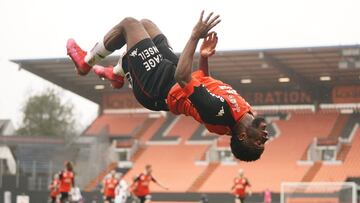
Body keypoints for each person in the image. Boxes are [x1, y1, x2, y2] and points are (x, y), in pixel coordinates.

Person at [67, 10, 269, 162]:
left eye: (259, 142)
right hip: (172, 74)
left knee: (130, 25)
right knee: (145, 24)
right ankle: (115, 74)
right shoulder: (244, 111)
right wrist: (204, 57)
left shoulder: (219, 112)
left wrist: (194, 37)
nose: (265, 137)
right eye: (263, 142)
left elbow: (183, 77)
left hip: (159, 86)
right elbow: (205, 83)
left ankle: (86, 64)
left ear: (242, 136)